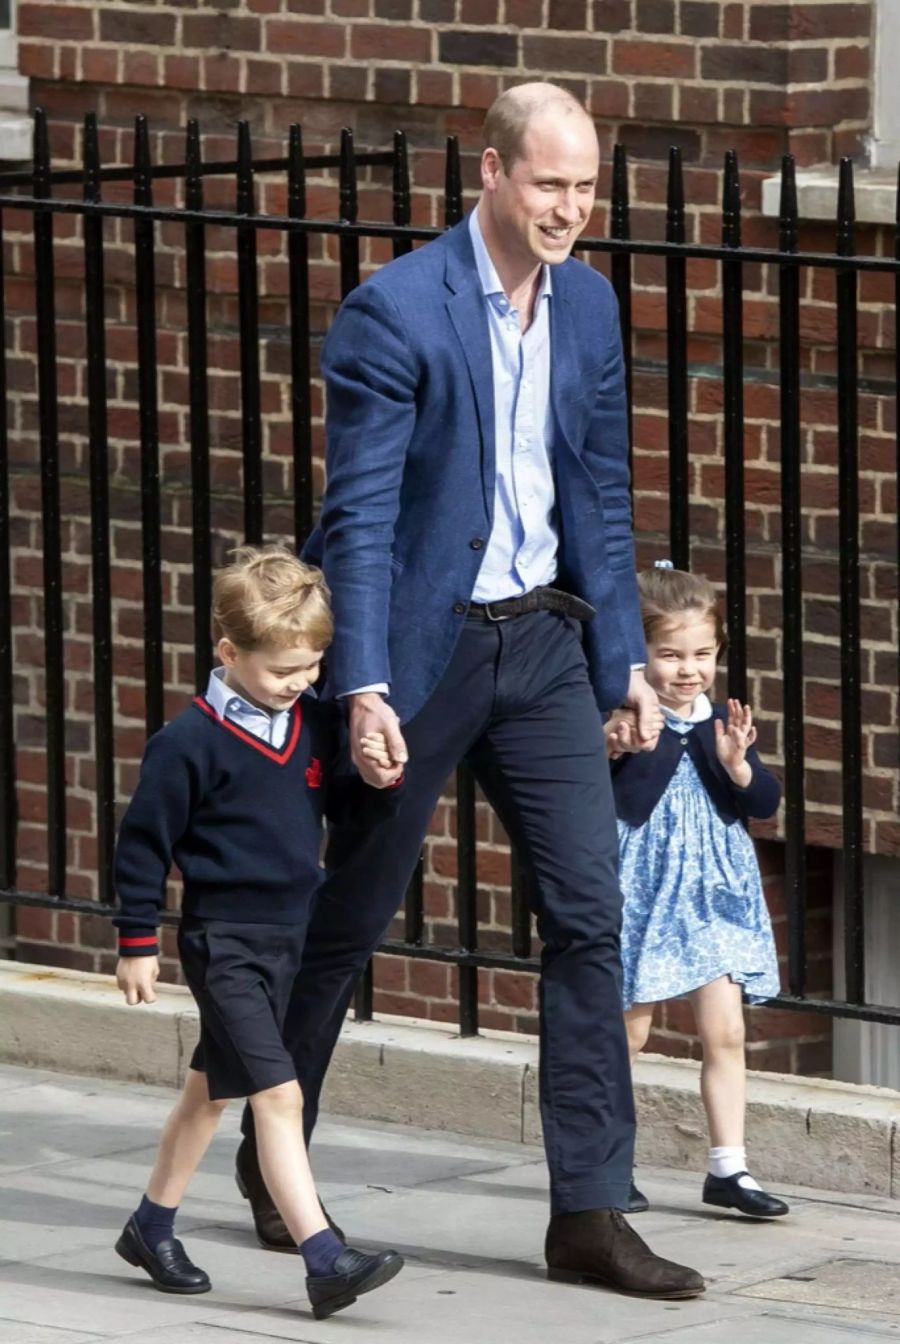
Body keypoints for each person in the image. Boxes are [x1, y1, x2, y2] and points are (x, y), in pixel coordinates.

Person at [235, 82, 705, 1299]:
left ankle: (590, 1213)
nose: (571, 209)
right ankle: (270, 1144)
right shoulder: (393, 313)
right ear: (488, 173)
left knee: (588, 915)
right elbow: (364, 517)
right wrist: (368, 686)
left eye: (586, 186)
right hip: (426, 651)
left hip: (545, 645)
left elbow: (600, 494)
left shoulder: (590, 307)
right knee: (350, 916)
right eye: (549, 184)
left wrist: (624, 668)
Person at [112, 544, 404, 1320]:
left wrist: (377, 781)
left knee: (208, 1094)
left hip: (289, 940)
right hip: (224, 943)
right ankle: (323, 1257)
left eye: (312, 667)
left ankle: (150, 1227)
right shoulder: (188, 742)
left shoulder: (310, 723)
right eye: (283, 670)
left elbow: (345, 809)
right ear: (229, 653)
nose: (301, 683)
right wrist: (136, 941)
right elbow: (142, 845)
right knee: (278, 1096)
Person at [604, 562, 788, 1219]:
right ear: (640, 654)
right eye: (671, 654)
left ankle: (729, 1168)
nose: (689, 670)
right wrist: (619, 747)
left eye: (702, 654)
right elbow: (613, 799)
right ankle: (607, 1165)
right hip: (644, 883)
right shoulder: (624, 717)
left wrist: (739, 765)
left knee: (726, 1030)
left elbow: (763, 802)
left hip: (716, 889)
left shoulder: (721, 721)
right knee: (630, 1033)